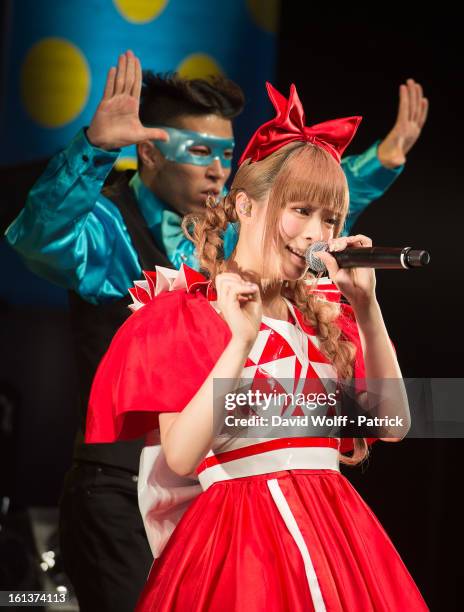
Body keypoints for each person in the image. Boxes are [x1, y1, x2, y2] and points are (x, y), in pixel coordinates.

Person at [4, 50, 427, 611]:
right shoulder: (148, 266)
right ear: (150, 153)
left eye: (225, 155)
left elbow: (393, 420)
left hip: (319, 525)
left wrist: (383, 167)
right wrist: (97, 147)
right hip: (148, 484)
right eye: (199, 151)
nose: (216, 169)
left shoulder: (296, 291)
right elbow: (38, 238)